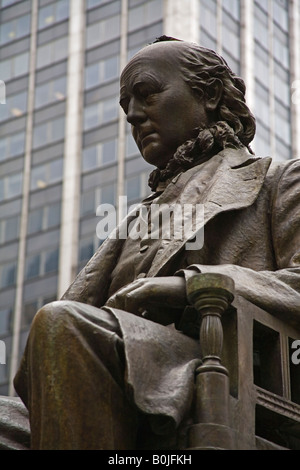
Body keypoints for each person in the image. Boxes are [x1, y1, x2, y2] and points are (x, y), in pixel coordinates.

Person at [1, 36, 300, 450]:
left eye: (147, 95)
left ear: (210, 95)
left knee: (62, 323)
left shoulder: (279, 182)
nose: (134, 116)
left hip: (215, 371)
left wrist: (192, 285)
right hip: (108, 369)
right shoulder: (134, 219)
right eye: (127, 107)